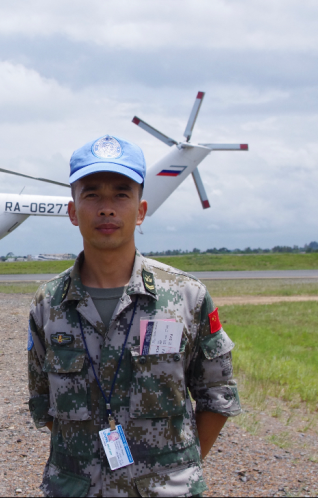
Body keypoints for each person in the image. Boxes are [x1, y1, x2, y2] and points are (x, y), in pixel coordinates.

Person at [27, 135, 241, 497]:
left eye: (121, 195)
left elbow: (217, 396)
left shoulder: (186, 296)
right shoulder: (49, 303)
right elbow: (42, 403)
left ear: (140, 211)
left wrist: (177, 472)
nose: (106, 209)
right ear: (73, 212)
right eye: (92, 195)